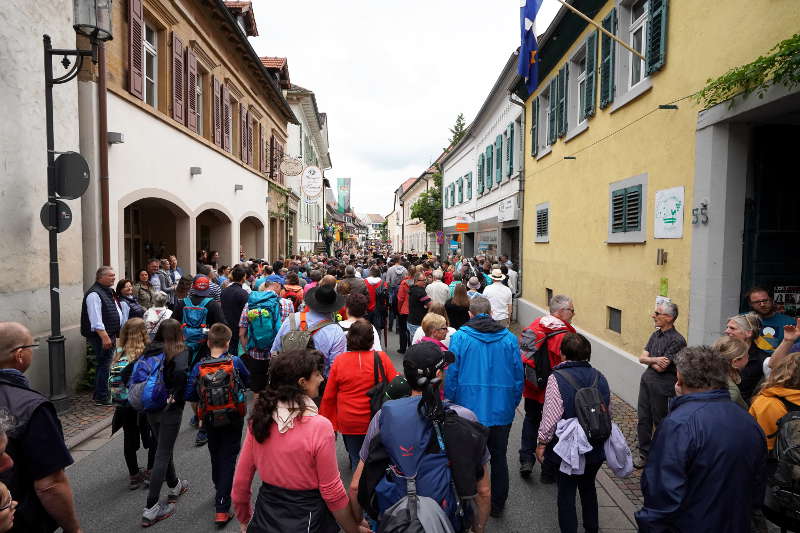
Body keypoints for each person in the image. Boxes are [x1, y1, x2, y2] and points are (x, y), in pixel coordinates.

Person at [349, 342, 491, 533]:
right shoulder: (464, 417)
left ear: (407, 377)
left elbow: (356, 486)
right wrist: (478, 528)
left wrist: (358, 521)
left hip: (394, 519)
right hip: (445, 520)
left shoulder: (384, 417)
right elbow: (483, 491)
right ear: (439, 376)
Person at [231, 350, 368, 533]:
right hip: (309, 516)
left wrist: (245, 518)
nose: (321, 378)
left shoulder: (259, 418)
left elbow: (241, 482)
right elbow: (332, 492)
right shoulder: (319, 426)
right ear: (302, 383)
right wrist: (353, 528)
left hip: (266, 515)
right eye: (317, 374)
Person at [636, 346, 767, 532]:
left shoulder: (678, 424)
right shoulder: (749, 421)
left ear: (679, 379)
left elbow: (662, 496)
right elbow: (756, 489)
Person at [0, 322, 81, 533]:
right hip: (21, 520)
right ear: (19, 355)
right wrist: (73, 529)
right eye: (31, 347)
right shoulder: (31, 406)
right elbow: (50, 484)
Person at [446, 296, 522, 518]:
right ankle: (497, 504)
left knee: (467, 457)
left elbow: (451, 375)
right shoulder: (508, 338)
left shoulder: (460, 337)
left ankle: (470, 501)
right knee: (499, 457)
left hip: (468, 409)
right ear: (490, 314)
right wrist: (513, 401)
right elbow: (518, 376)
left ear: (470, 313)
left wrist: (451, 402)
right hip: (501, 408)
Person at [535, 333, 611, 533]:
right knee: (588, 489)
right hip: (594, 442)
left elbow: (550, 416)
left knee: (566, 494)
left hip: (567, 447)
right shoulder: (599, 376)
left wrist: (542, 443)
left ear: (562, 354)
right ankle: (591, 529)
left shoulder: (556, 378)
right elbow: (606, 411)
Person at [186, 324, 250, 527]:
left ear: (208, 342)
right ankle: (222, 507)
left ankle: (218, 486)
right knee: (229, 457)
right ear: (228, 342)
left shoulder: (199, 366)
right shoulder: (235, 361)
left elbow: (189, 394)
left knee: (215, 452)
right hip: (233, 416)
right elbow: (247, 381)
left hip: (210, 418)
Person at [320, 319, 397, 469]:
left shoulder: (340, 361)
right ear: (372, 339)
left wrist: (328, 424)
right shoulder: (381, 358)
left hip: (348, 420)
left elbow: (329, 396)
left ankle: (359, 487)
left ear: (349, 339)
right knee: (377, 456)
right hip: (375, 418)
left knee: (356, 457)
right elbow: (395, 385)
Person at [138, 319, 190, 527]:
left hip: (151, 404)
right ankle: (151, 508)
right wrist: (176, 394)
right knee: (162, 453)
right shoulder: (179, 350)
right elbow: (180, 374)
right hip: (169, 407)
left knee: (162, 447)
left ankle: (175, 485)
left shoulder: (149, 349)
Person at [519, 294, 576, 482]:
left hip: (533, 386)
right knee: (554, 426)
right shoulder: (566, 335)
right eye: (571, 310)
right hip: (554, 389)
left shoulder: (536, 325)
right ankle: (548, 469)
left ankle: (526, 459)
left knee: (531, 420)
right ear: (560, 312)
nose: (573, 314)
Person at [635, 301, 687, 468]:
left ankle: (662, 455)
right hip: (647, 381)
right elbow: (642, 358)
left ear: (669, 318)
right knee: (643, 418)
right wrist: (655, 359)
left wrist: (650, 360)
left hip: (663, 386)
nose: (653, 316)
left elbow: (662, 368)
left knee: (661, 421)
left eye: (657, 313)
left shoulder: (678, 340)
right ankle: (644, 453)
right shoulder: (655, 335)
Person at [111, 318, 156, 491]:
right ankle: (151, 470)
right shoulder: (147, 351)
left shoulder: (119, 352)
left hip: (124, 403)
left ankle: (134, 475)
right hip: (144, 402)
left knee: (129, 438)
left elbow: (114, 382)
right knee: (153, 435)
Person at [271, 284, 347, 382]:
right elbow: (335, 369)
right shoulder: (336, 332)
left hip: (286, 382)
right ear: (334, 307)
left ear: (312, 302)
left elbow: (275, 350)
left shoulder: (292, 319)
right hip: (315, 385)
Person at [81, 266, 129, 406]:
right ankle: (102, 396)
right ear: (100, 277)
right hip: (101, 336)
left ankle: (101, 393)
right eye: (110, 275)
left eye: (114, 275)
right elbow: (95, 319)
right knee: (105, 365)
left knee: (106, 364)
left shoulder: (107, 291)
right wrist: (104, 336)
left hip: (110, 334)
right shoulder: (94, 294)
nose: (114, 278)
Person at [724, 313, 768, 403]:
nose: (726, 331)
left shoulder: (763, 359)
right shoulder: (720, 351)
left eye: (732, 328)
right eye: (727, 327)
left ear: (749, 333)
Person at [746, 287, 795, 353]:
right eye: (757, 302)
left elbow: (795, 350)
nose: (762, 304)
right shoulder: (743, 319)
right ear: (751, 304)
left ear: (772, 300)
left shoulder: (788, 322)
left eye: (765, 300)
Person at [711, 336, 749, 408]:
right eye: (746, 355)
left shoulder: (707, 374)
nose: (749, 356)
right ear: (735, 362)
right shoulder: (731, 391)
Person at [220, 265, 249, 355]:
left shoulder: (225, 291)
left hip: (226, 325)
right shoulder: (243, 293)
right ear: (243, 277)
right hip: (238, 328)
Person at [406, 273, 430, 340]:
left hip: (411, 320)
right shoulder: (420, 291)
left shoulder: (413, 288)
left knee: (412, 343)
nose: (425, 282)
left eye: (425, 280)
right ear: (417, 281)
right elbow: (429, 304)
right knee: (417, 344)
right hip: (417, 322)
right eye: (423, 280)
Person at [396, 268, 412, 354]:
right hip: (413, 309)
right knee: (411, 330)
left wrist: (399, 309)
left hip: (404, 309)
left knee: (403, 330)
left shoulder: (404, 283)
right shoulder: (418, 282)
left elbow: (400, 298)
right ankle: (411, 347)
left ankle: (402, 348)